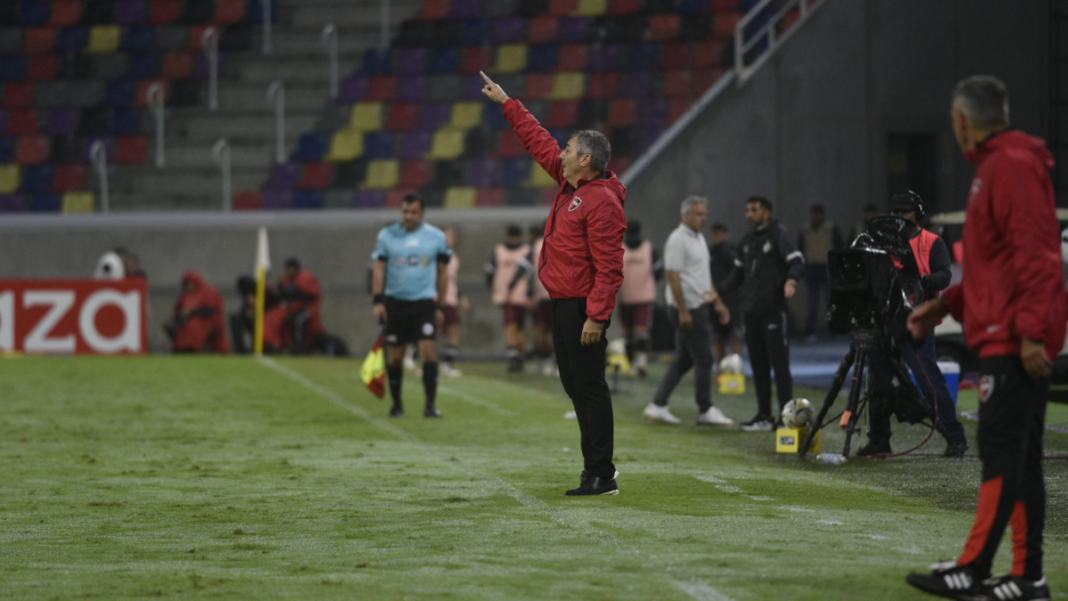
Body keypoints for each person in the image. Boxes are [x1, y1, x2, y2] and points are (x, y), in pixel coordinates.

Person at [905, 75, 1065, 601]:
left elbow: (1037, 256)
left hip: (1013, 339)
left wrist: (1033, 333)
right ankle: (1027, 578)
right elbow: (999, 267)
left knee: (1000, 451)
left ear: (961, 120)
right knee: (1019, 457)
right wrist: (945, 304)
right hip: (1009, 332)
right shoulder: (1005, 164)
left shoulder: (1008, 166)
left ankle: (974, 568)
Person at [482, 70, 626, 496]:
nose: (561, 152)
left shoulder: (602, 201)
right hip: (564, 302)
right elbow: (539, 141)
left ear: (586, 160)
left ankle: (601, 473)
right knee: (575, 386)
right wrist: (508, 103)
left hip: (582, 305)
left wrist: (596, 316)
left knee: (589, 388)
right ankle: (597, 468)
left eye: (569, 149)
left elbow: (610, 267)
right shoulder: (571, 184)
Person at [857, 191, 968, 458]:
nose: (899, 217)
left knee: (928, 379)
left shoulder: (932, 242)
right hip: (884, 319)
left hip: (917, 319)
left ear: (917, 214)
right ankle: (879, 440)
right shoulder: (881, 242)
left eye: (905, 212)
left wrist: (919, 282)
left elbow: (945, 276)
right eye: (895, 212)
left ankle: (955, 436)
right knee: (878, 381)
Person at [642, 197, 733, 426]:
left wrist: (717, 302)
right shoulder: (678, 240)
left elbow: (701, 274)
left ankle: (658, 404)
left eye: (705, 214)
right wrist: (683, 311)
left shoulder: (698, 237)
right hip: (688, 307)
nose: (704, 219)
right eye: (699, 214)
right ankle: (705, 408)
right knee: (705, 358)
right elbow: (673, 277)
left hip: (697, 305)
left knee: (684, 359)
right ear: (686, 215)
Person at [725, 196, 805, 431]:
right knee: (759, 366)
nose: (749, 214)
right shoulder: (747, 240)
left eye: (754, 210)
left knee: (779, 366)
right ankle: (763, 416)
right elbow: (737, 275)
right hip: (751, 312)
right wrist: (716, 291)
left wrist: (791, 280)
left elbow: (798, 261)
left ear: (766, 213)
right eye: (747, 210)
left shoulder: (779, 235)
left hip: (773, 311)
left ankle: (786, 418)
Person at [372, 193, 452, 418]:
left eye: (414, 212)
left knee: (428, 351)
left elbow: (443, 272)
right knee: (395, 356)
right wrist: (378, 300)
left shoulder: (436, 237)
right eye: (406, 212)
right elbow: (379, 268)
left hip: (423, 304)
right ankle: (397, 404)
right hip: (395, 303)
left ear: (422, 213)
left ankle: (430, 405)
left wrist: (441, 306)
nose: (409, 216)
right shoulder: (387, 235)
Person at [618, 219, 663, 378]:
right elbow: (659, 271)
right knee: (642, 330)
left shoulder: (619, 249)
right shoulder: (650, 248)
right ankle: (642, 360)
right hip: (645, 296)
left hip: (625, 296)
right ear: (640, 231)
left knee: (628, 332)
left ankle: (631, 364)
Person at [486, 224, 531, 372]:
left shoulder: (500, 250)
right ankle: (517, 357)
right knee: (516, 327)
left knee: (513, 327)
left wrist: (495, 288)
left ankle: (515, 357)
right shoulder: (524, 250)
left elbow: (489, 272)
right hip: (517, 296)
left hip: (511, 295)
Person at [797, 203, 843, 341]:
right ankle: (810, 331)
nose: (817, 217)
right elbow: (800, 248)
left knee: (830, 300)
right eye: (815, 214)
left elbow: (839, 247)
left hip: (827, 267)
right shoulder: (805, 229)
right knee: (812, 301)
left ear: (823, 215)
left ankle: (834, 329)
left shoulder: (830, 228)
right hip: (811, 268)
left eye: (819, 214)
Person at [263, 258, 324, 354]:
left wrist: (281, 286)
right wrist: (280, 284)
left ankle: (300, 347)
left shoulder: (305, 276)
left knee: (298, 320)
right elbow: (281, 294)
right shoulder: (289, 279)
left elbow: (294, 291)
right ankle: (291, 346)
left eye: (289, 269)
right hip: (296, 308)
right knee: (288, 321)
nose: (287, 271)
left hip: (308, 308)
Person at [164, 270, 229, 353]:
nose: (189, 286)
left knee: (193, 326)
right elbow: (178, 309)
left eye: (191, 283)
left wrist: (191, 312)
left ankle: (192, 348)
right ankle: (181, 349)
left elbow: (211, 310)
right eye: (187, 284)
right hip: (187, 321)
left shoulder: (209, 292)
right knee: (184, 328)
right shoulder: (186, 296)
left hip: (205, 320)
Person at [709, 222, 744, 363]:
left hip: (732, 299)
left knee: (735, 333)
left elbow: (738, 274)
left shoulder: (733, 251)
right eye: (716, 234)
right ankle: (721, 367)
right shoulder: (710, 252)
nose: (719, 237)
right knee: (717, 334)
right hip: (715, 299)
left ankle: (735, 365)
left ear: (727, 234)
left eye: (721, 233)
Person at [526, 223, 557, 376]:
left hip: (541, 293)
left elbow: (532, 272)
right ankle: (552, 361)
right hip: (557, 292)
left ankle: (540, 359)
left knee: (540, 327)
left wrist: (531, 294)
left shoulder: (536, 246)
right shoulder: (558, 241)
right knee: (553, 329)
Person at [440, 226, 467, 377]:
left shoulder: (453, 257)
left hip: (450, 299)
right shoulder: (435, 254)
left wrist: (460, 297)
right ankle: (411, 358)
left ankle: (447, 365)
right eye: (448, 236)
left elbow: (452, 281)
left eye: (452, 236)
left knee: (454, 330)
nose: (451, 239)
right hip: (437, 298)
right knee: (427, 332)